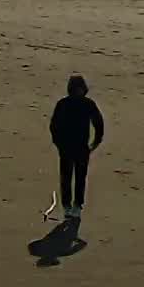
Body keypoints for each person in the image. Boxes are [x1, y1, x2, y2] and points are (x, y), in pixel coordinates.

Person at [49, 76, 104, 220]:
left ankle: (77, 205)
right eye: (76, 89)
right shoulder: (63, 104)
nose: (78, 92)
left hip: (81, 147)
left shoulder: (87, 104)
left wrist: (96, 142)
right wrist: (58, 142)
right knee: (66, 177)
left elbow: (99, 124)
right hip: (66, 147)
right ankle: (67, 206)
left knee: (80, 177)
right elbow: (54, 126)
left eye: (79, 88)